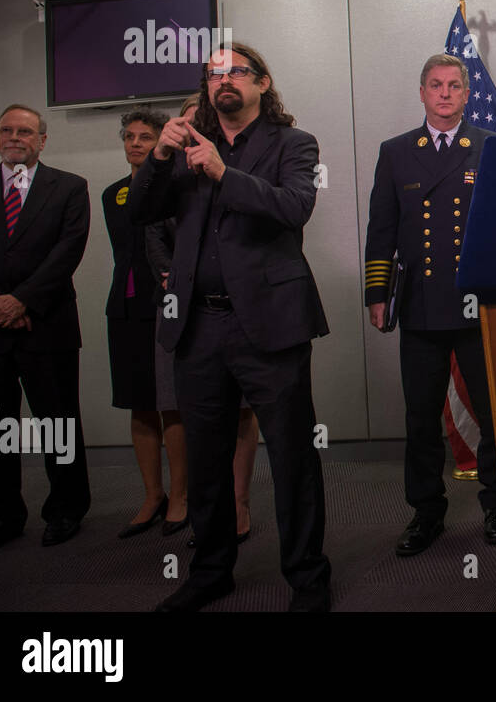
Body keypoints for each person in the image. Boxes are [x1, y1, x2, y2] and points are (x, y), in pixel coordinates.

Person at [130, 42, 332, 611]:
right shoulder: (188, 143)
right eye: (214, 73)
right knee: (207, 458)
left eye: (237, 71)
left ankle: (309, 579)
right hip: (199, 326)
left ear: (262, 83)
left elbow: (294, 208)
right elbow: (139, 212)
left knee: (293, 457)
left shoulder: (295, 144)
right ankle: (211, 570)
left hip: (270, 324)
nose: (225, 80)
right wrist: (159, 159)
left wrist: (222, 173)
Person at [364, 53, 496, 556]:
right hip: (421, 305)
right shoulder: (397, 151)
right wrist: (377, 294)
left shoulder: (491, 148)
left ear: (467, 95)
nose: (444, 94)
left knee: (493, 414)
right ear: (422, 92)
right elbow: (381, 227)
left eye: (453, 86)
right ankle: (426, 512)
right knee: (420, 417)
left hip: (476, 302)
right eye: (435, 85)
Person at [0, 104, 91, 555]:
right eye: (6, 129)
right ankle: (3, 516)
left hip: (47, 323)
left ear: (42, 140)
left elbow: (67, 252)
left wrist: (23, 300)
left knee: (57, 423)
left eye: (25, 131)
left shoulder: (69, 188)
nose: (14, 137)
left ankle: (66, 510)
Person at [146, 97, 259, 544]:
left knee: (243, 412)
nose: (199, 119)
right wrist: (173, 273)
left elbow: (270, 217)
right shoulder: (169, 168)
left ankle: (240, 504)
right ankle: (200, 517)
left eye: (206, 112)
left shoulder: (243, 161)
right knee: (194, 415)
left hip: (242, 308)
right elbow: (149, 225)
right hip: (182, 307)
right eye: (192, 113)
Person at [103, 108, 183, 538]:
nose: (135, 144)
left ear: (161, 143)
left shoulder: (172, 189)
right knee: (139, 404)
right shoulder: (111, 194)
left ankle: (182, 496)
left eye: (145, 137)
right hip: (126, 307)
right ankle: (153, 496)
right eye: (129, 137)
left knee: (171, 404)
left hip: (164, 305)